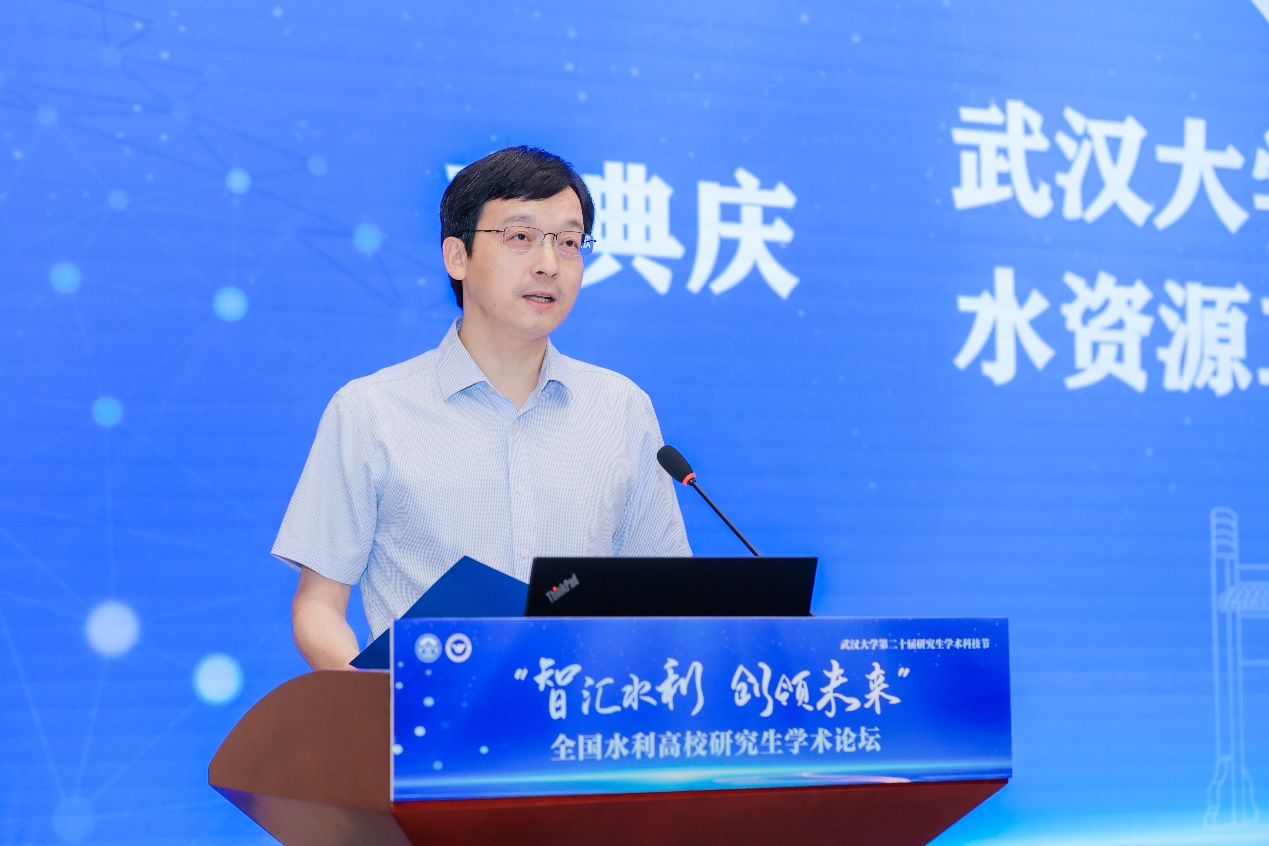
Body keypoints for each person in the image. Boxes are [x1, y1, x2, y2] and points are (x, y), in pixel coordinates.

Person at [272, 146, 691, 669]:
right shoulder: (370, 412)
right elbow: (318, 607)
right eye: (520, 237)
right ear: (457, 256)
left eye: (568, 242)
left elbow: (664, 598)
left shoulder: (621, 408)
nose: (549, 264)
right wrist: (379, 701)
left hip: (579, 711)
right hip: (431, 713)